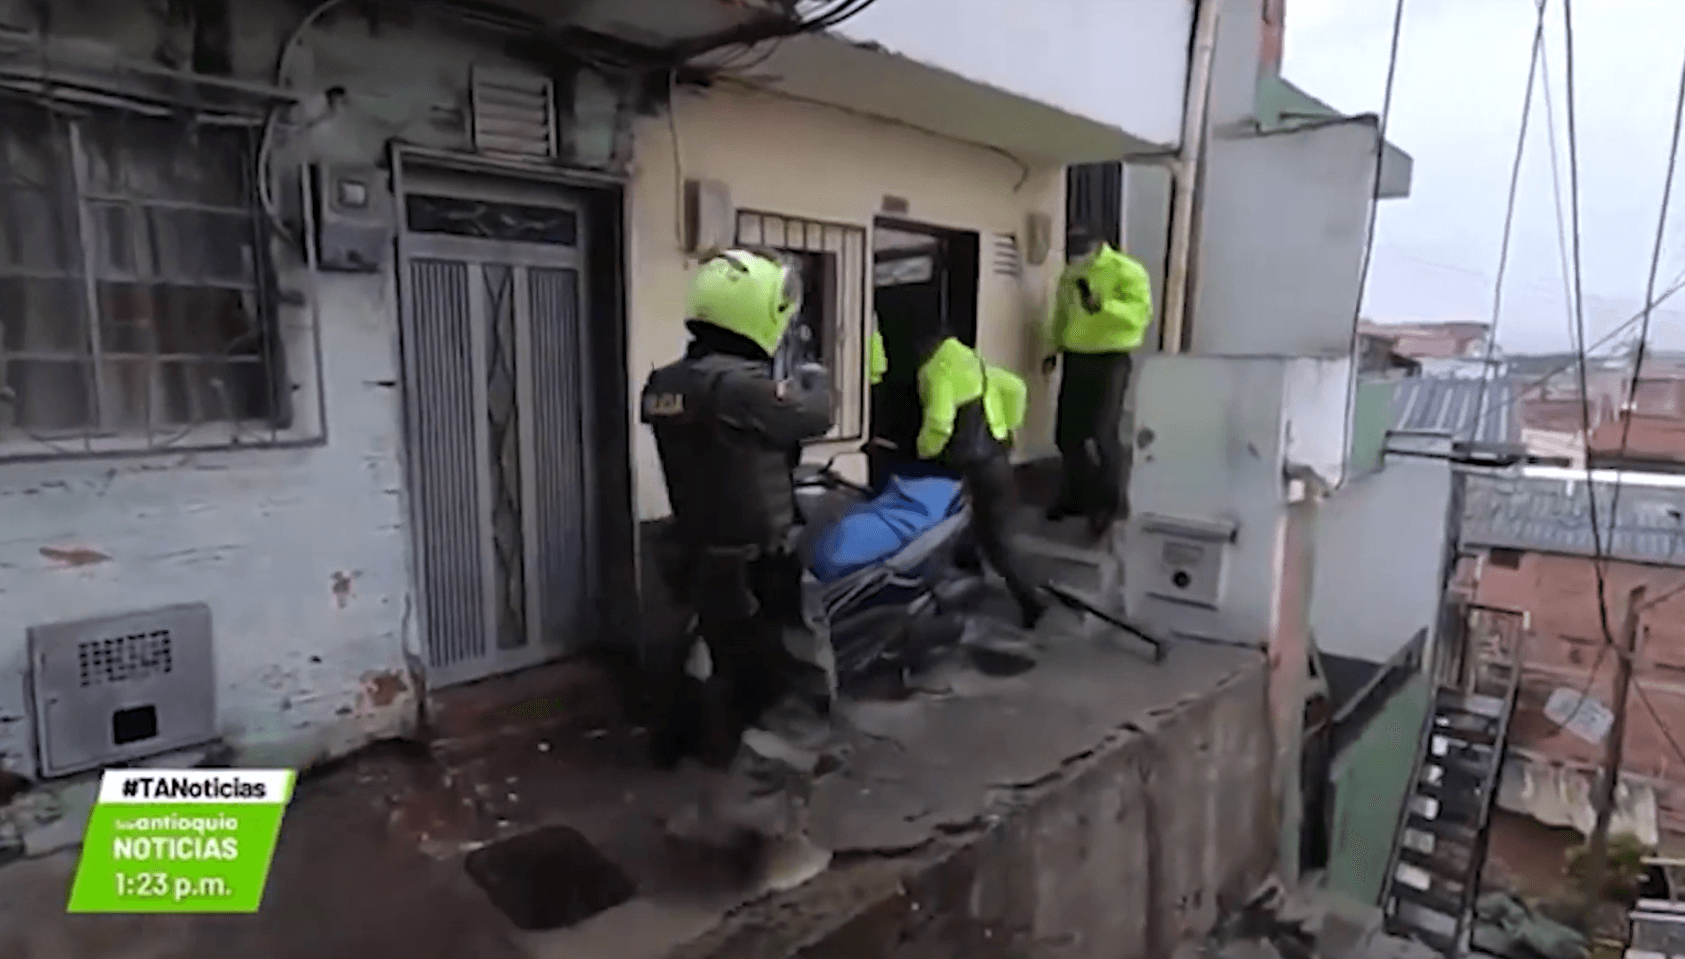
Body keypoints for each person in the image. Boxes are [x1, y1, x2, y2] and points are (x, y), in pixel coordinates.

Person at [639, 247, 838, 894]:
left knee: (736, 688)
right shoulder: (741, 387)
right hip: (764, 571)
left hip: (704, 567)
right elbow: (814, 412)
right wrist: (813, 370)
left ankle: (710, 815)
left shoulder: (667, 383)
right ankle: (769, 839)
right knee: (801, 698)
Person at [912, 328, 1046, 630]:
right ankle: (970, 589)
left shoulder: (938, 370)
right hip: (996, 463)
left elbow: (940, 421)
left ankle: (1031, 600)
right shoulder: (975, 365)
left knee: (991, 540)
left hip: (969, 467)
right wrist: (1008, 427)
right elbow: (1016, 387)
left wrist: (923, 450)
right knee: (977, 530)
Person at [1041, 225, 1153, 538]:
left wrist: (1103, 306)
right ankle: (1075, 498)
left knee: (1103, 433)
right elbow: (1061, 314)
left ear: (1098, 244)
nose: (1076, 255)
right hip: (1076, 358)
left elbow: (1139, 315)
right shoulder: (1070, 273)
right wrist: (1054, 348)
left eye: (1081, 248)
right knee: (1067, 435)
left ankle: (1108, 506)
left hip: (1111, 360)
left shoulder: (1126, 270)